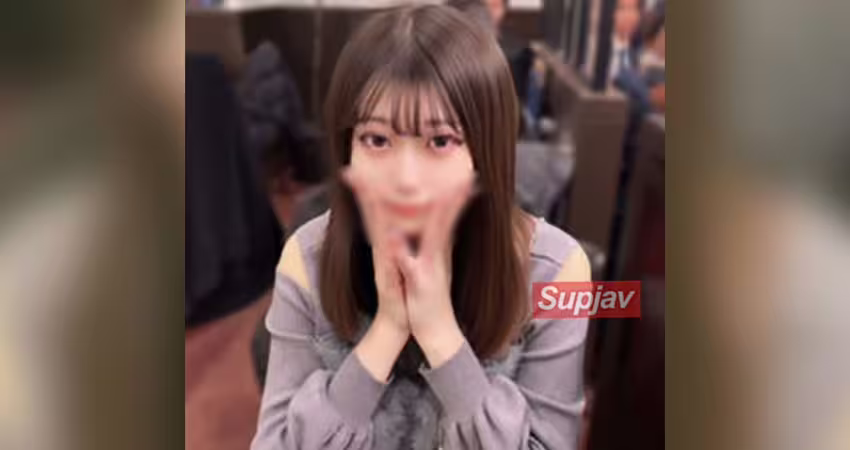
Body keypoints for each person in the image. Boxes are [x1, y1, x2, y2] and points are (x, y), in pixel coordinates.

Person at [250, 5, 590, 449]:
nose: (406, 179)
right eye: (377, 139)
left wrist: (439, 332)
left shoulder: (558, 269)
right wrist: (388, 329)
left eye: (441, 140)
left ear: (485, 153)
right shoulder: (308, 256)